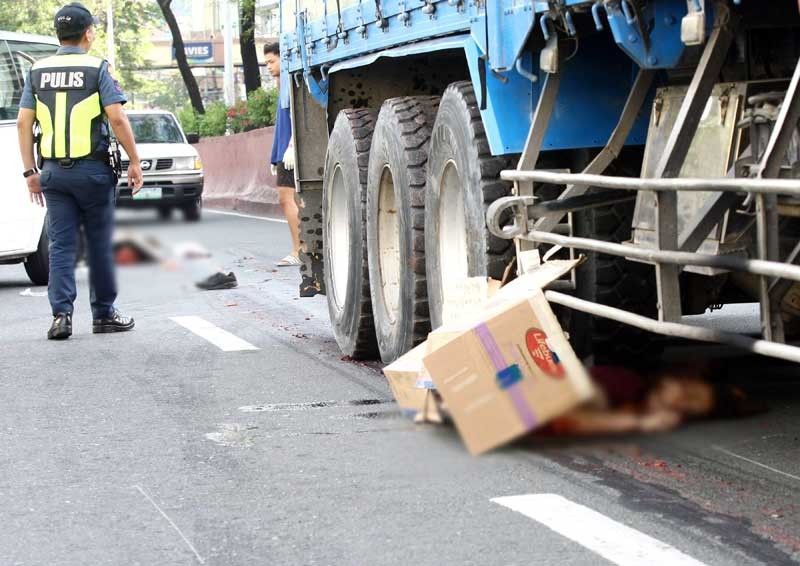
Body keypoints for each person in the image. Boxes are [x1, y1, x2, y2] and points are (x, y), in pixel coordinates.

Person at [16, 1, 144, 340]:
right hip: (93, 172)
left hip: (53, 174)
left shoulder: (36, 72)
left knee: (60, 245)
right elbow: (116, 117)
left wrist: (30, 172)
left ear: (58, 34)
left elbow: (23, 123)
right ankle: (103, 315)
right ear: (88, 33)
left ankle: (61, 317)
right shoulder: (97, 67)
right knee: (100, 243)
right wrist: (133, 160)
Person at [263, 42, 302, 267]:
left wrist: (292, 147)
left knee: (287, 199)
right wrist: (274, 155)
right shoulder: (282, 84)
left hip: (290, 150)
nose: (268, 67)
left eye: (271, 61)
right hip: (283, 151)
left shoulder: (291, 82)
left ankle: (298, 250)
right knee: (291, 199)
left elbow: (297, 117)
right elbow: (281, 123)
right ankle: (301, 248)